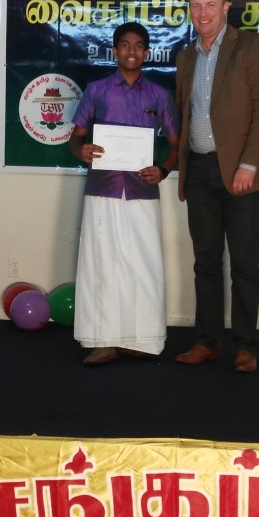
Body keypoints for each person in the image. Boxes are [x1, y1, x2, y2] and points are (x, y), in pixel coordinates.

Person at [173, 0, 259, 374]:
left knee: (244, 263)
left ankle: (246, 346)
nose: (202, 13)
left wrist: (249, 164)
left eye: (210, 5)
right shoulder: (186, 57)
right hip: (199, 171)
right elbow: (184, 115)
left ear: (225, 7)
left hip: (241, 173)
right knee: (205, 262)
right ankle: (207, 341)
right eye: (196, 6)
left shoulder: (250, 46)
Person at [68, 22, 179, 366]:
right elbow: (75, 138)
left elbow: (177, 144)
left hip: (142, 191)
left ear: (147, 52)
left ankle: (141, 339)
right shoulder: (96, 90)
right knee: (101, 264)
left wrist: (163, 170)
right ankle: (102, 340)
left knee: (144, 264)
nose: (132, 51)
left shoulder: (160, 95)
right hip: (102, 189)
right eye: (125, 45)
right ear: (115, 50)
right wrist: (81, 150)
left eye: (139, 45)